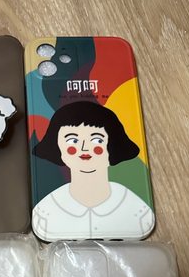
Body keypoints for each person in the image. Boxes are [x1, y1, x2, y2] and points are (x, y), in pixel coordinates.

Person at [32, 101, 154, 241]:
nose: (84, 148)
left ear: (113, 145)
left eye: (97, 140)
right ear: (57, 146)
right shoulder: (46, 210)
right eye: (73, 140)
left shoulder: (135, 208)